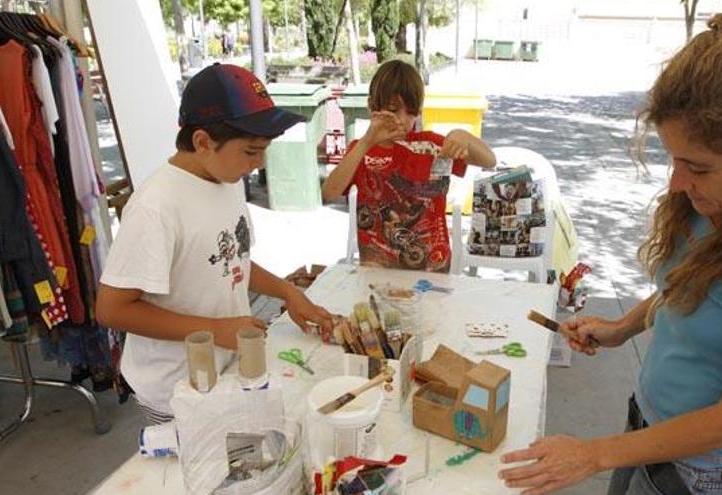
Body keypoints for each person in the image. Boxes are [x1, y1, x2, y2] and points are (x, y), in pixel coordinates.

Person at [499, 7, 722, 494]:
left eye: (700, 168)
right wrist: (622, 328)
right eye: (673, 159)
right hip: (650, 425)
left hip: (700, 471)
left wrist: (592, 454)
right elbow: (689, 286)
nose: (679, 183)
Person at [96, 64, 334, 424]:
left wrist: (288, 292)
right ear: (203, 142)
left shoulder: (227, 179)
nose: (259, 164)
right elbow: (112, 310)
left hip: (226, 369)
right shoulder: (155, 207)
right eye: (252, 151)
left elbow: (231, 261)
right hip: (175, 391)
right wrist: (214, 330)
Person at [321, 59, 496, 272]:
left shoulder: (431, 145)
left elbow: (489, 160)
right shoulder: (361, 149)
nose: (402, 120)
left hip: (433, 269)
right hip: (376, 269)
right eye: (393, 109)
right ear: (371, 106)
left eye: (411, 111)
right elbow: (329, 193)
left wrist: (463, 136)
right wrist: (367, 141)